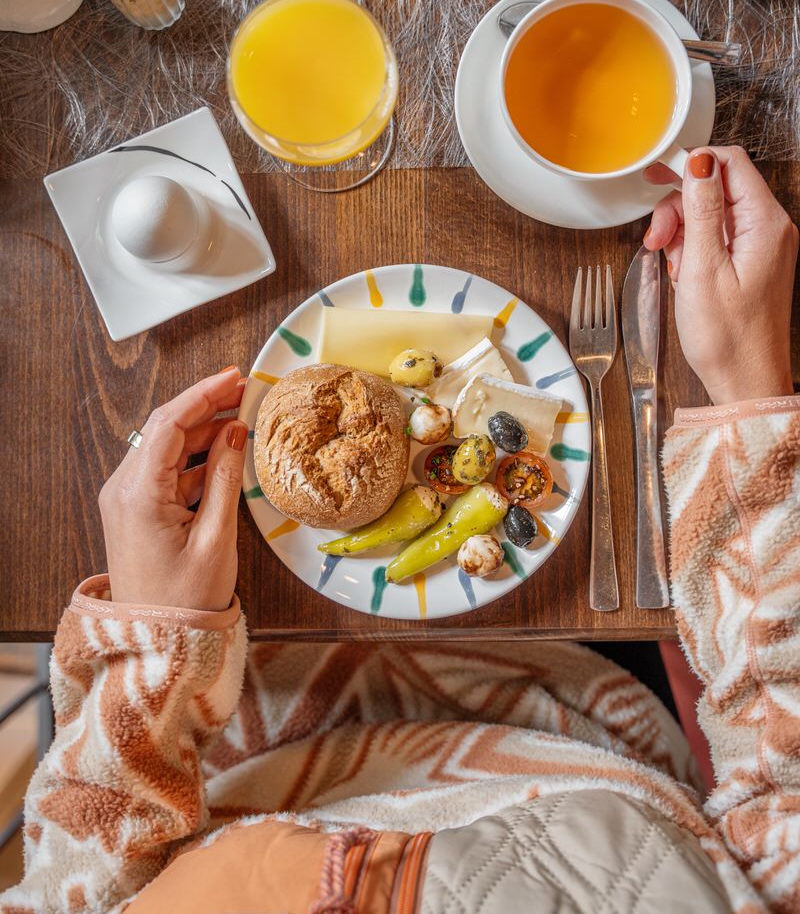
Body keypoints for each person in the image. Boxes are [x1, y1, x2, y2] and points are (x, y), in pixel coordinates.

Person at [1, 146, 797, 914]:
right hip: (582, 713)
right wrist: (750, 382)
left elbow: (75, 878)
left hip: (234, 722)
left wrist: (154, 647)